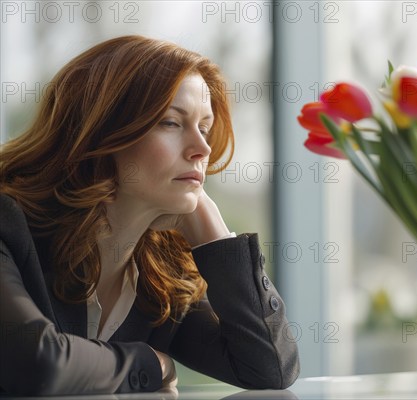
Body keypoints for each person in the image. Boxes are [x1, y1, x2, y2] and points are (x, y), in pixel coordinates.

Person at [0, 35, 300, 396]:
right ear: (100, 133)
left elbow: (269, 369)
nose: (202, 148)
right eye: (172, 123)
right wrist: (151, 363)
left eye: (204, 127)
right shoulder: (9, 226)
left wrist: (217, 237)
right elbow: (36, 363)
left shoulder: (161, 274)